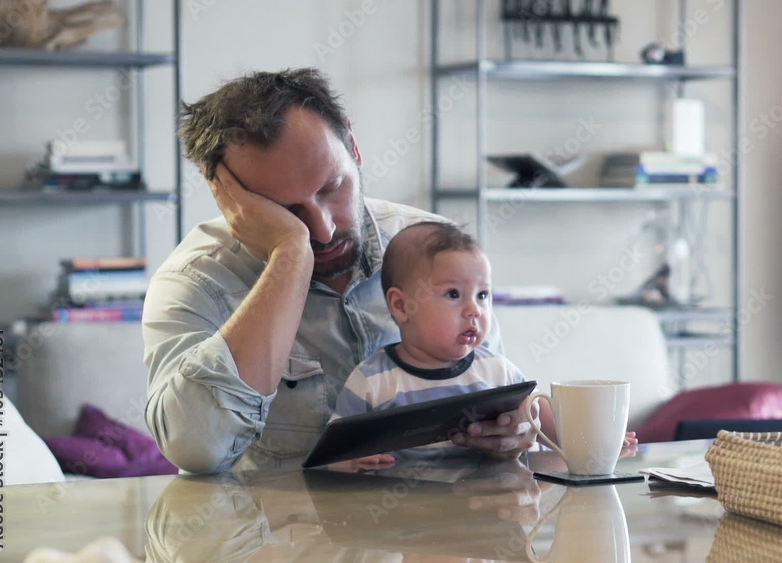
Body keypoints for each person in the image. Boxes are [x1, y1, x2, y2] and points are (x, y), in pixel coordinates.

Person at [142, 68, 536, 474]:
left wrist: (509, 434)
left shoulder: (435, 252)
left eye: (332, 188)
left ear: (354, 146)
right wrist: (289, 255)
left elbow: (494, 391)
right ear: (232, 202)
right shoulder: (195, 282)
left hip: (441, 524)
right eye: (286, 211)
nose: (323, 229)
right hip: (277, 532)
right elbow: (197, 450)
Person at [333, 221, 638, 457]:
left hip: (489, 508)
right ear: (401, 306)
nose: (474, 310)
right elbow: (336, 448)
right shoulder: (373, 381)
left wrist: (596, 444)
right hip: (404, 517)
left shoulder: (497, 370)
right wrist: (350, 461)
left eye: (482, 295)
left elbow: (541, 417)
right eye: (453, 294)